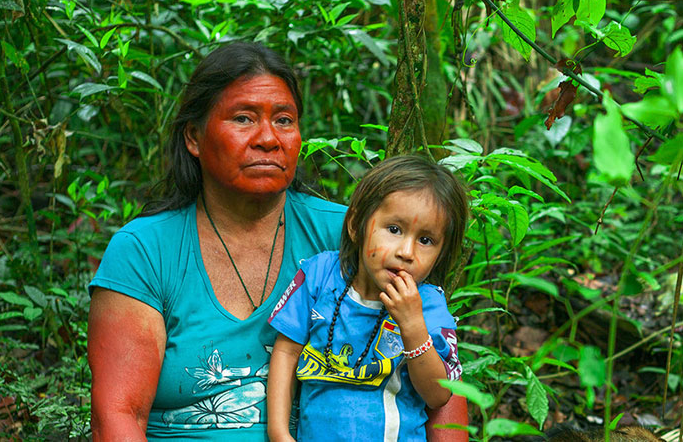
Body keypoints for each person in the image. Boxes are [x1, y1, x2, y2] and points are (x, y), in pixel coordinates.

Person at [87, 41, 468, 442]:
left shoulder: (359, 240)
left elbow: (443, 393)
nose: (269, 138)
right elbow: (117, 415)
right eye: (243, 118)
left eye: (284, 120)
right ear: (194, 138)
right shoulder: (145, 251)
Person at [267, 155, 468, 442]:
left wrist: (412, 325)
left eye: (426, 240)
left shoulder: (429, 305)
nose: (407, 252)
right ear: (355, 225)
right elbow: (286, 352)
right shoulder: (318, 276)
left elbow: (438, 396)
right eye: (394, 230)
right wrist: (278, 432)